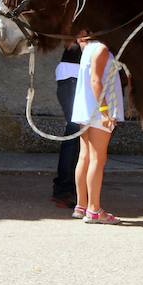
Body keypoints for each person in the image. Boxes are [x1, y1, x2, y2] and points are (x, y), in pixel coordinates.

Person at [71, 39, 124, 224]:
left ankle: (82, 205)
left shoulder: (89, 48)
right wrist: (105, 111)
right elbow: (96, 80)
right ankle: (93, 210)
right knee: (97, 159)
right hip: (98, 112)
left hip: (87, 110)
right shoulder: (101, 49)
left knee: (84, 156)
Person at [51, 41, 82, 207]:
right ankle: (64, 189)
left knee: (76, 134)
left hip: (74, 74)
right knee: (74, 132)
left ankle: (69, 188)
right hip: (74, 74)